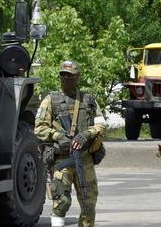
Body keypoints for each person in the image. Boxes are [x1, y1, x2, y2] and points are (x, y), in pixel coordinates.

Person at [34, 60, 107, 227]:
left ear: (77, 77)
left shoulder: (88, 101)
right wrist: (58, 135)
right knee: (62, 202)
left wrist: (88, 134)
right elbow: (39, 128)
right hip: (62, 161)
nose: (66, 78)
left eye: (70, 75)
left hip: (85, 159)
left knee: (89, 205)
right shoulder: (50, 100)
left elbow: (101, 125)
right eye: (63, 75)